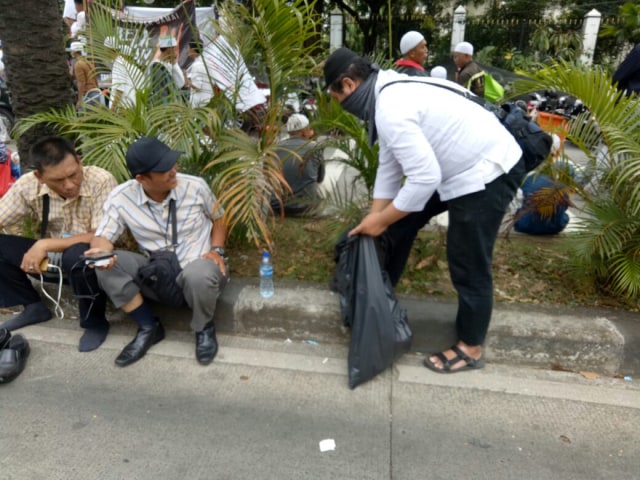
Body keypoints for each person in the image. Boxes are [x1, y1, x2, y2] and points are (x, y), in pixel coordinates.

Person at [323, 47, 525, 373]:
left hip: (487, 171)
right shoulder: (388, 91)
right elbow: (390, 168)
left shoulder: (390, 107)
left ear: (347, 84)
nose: (343, 108)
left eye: (336, 98)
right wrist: (375, 217)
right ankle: (379, 291)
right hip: (455, 165)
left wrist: (382, 218)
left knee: (467, 259)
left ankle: (471, 347)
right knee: (397, 224)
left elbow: (423, 178)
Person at [86, 137, 229, 367]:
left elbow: (219, 217)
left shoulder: (195, 187)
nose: (175, 170)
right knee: (107, 266)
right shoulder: (122, 197)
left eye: (173, 163)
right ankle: (148, 327)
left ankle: (204, 328)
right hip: (157, 272)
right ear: (141, 179)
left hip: (199, 267)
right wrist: (100, 254)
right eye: (165, 169)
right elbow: (103, 236)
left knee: (198, 274)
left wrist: (217, 250)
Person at [0, 136, 118, 352]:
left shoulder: (101, 180)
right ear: (39, 176)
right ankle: (33, 306)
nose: (69, 185)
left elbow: (100, 235)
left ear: (79, 161)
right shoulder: (28, 184)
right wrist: (43, 246)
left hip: (94, 262)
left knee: (77, 254)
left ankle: (94, 322)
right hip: (52, 260)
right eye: (58, 180)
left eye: (73, 174)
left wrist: (44, 244)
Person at [271, 113, 325, 216]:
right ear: (305, 131)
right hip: (306, 207)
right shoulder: (315, 147)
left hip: (278, 206)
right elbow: (320, 179)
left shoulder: (276, 147)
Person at [105, 36, 145, 111]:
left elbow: (120, 89)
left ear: (108, 50)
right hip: (130, 107)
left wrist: (113, 108)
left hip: (123, 109)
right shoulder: (123, 63)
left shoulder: (118, 63)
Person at [147, 35, 186, 106]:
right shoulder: (156, 66)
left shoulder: (169, 65)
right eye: (174, 48)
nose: (175, 51)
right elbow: (160, 91)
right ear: (169, 49)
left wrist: (174, 64)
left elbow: (180, 84)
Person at [67, 41, 104, 111]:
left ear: (74, 52)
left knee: (83, 119)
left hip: (88, 96)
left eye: (71, 51)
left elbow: (81, 83)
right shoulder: (88, 62)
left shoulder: (78, 64)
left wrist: (80, 100)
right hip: (96, 93)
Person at [185, 38, 215, 108]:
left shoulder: (197, 65)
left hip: (199, 103)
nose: (187, 50)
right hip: (208, 99)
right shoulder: (206, 62)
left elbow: (197, 86)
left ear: (192, 50)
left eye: (188, 48)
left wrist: (186, 81)